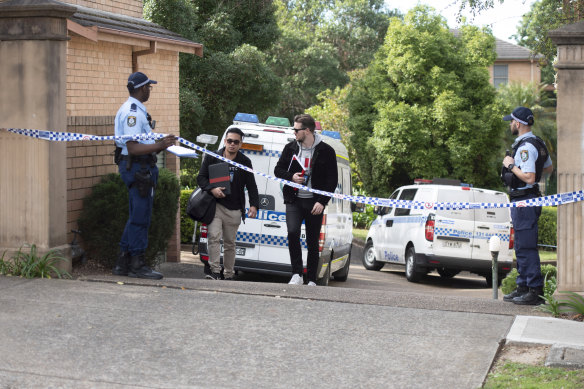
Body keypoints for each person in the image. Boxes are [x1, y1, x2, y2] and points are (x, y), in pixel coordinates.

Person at [112, 72, 176, 280]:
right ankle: (137, 264)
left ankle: (123, 262)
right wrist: (160, 145)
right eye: (149, 87)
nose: (150, 90)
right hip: (137, 168)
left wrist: (160, 144)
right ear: (141, 89)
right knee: (141, 217)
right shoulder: (133, 114)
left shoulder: (137, 111)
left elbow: (143, 144)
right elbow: (132, 147)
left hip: (140, 166)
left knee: (136, 216)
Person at [274, 114, 338, 286]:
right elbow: (277, 170)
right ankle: (296, 273)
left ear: (307, 130)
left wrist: (322, 201)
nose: (294, 132)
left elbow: (332, 181)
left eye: (296, 129)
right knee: (293, 233)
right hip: (294, 200)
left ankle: (311, 279)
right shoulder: (290, 148)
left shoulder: (326, 151)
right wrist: (291, 177)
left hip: (314, 203)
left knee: (312, 240)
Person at [501, 107, 553, 305]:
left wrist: (511, 166)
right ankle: (523, 285)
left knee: (526, 247)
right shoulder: (537, 143)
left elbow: (530, 177)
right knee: (522, 245)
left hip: (524, 200)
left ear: (519, 124)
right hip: (527, 200)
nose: (510, 125)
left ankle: (534, 289)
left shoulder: (525, 147)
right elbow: (549, 167)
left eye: (511, 121)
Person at [197, 127, 259, 280]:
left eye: (235, 142)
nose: (232, 144)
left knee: (230, 242)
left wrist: (254, 205)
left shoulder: (245, 162)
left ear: (240, 144)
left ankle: (229, 274)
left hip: (234, 208)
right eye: (229, 141)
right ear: (225, 141)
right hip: (215, 205)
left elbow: (252, 185)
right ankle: (214, 271)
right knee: (213, 236)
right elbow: (201, 178)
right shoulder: (213, 157)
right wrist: (212, 189)